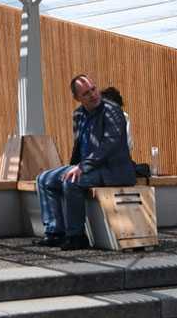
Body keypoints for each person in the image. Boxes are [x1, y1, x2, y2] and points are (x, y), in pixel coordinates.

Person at [35, 74, 136, 250]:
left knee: (71, 182)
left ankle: (77, 236)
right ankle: (55, 232)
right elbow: (79, 146)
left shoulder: (112, 111)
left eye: (93, 89)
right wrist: (73, 166)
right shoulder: (79, 114)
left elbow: (109, 145)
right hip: (89, 167)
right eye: (86, 93)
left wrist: (81, 167)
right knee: (43, 179)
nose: (93, 95)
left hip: (112, 170)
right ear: (77, 98)